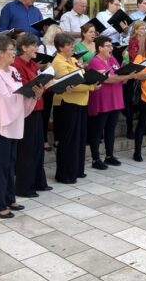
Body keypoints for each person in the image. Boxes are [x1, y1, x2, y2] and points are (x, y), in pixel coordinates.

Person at [0, 35, 43, 218]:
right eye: (11, 50)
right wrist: (26, 94)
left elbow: (18, 93)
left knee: (10, 164)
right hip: (1, 123)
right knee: (1, 166)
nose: (14, 53)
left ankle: (9, 198)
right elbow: (5, 98)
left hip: (14, 122)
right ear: (0, 53)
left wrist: (35, 94)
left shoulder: (12, 71)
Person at [51, 33, 98, 184]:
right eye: (69, 45)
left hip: (81, 102)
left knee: (79, 139)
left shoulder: (72, 60)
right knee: (68, 140)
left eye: (72, 45)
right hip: (67, 103)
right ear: (60, 47)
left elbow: (82, 76)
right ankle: (65, 174)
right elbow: (71, 83)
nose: (72, 47)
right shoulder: (58, 62)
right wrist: (91, 86)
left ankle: (77, 169)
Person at [87, 36, 136, 169]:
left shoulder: (112, 59)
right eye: (108, 46)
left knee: (110, 129)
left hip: (115, 99)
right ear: (100, 48)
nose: (111, 48)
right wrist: (128, 76)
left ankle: (109, 155)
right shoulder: (95, 62)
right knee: (97, 131)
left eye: (111, 46)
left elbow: (119, 75)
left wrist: (126, 76)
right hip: (102, 100)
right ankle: (95, 159)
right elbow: (108, 79)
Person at [12, 34, 51, 198]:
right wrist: (38, 89)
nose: (37, 48)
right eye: (34, 45)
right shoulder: (17, 64)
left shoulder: (33, 64)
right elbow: (21, 88)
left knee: (37, 147)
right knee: (27, 149)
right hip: (26, 110)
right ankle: (24, 186)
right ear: (24, 47)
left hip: (37, 107)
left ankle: (38, 181)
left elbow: (39, 86)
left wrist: (46, 85)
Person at [38, 24, 62, 151]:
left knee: (58, 112)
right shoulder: (43, 47)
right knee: (45, 112)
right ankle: (44, 140)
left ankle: (58, 138)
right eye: (56, 33)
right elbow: (38, 65)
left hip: (59, 81)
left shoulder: (63, 49)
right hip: (47, 83)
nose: (58, 36)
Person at [123, 21, 146, 138]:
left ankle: (143, 127)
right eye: (142, 28)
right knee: (131, 102)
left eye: (145, 28)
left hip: (145, 72)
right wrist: (142, 42)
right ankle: (129, 129)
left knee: (143, 102)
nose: (144, 30)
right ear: (136, 30)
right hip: (133, 73)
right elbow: (134, 58)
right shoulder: (133, 41)